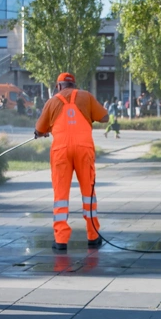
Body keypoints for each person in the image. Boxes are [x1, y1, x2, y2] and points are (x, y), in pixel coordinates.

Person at [35, 72, 109, 250]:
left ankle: (61, 240)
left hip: (61, 151)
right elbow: (105, 117)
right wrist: (88, 114)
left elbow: (39, 129)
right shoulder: (86, 96)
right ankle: (93, 236)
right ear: (74, 85)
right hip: (84, 149)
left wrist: (44, 132)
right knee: (88, 193)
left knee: (61, 195)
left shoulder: (52, 101)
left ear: (58, 86)